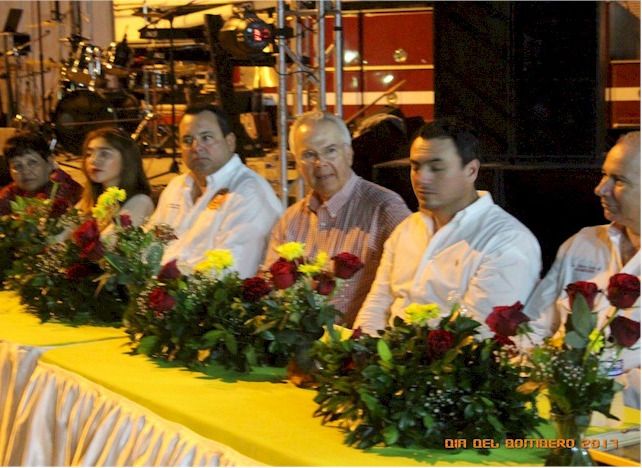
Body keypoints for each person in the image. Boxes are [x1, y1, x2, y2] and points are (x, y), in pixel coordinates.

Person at [354, 117, 541, 336]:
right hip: (389, 352)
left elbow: (479, 334)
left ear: (471, 171)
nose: (422, 179)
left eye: (436, 168)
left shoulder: (507, 241)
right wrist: (360, 348)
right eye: (415, 167)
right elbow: (377, 303)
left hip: (449, 356)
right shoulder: (407, 229)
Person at [525, 131, 640, 408]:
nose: (600, 189)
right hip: (555, 407)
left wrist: (585, 390)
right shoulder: (583, 243)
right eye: (604, 175)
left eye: (619, 180)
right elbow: (535, 326)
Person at [264, 110, 411, 325]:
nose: (320, 163)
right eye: (309, 155)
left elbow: (408, 290)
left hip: (358, 340)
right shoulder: (291, 219)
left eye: (330, 151)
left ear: (349, 154)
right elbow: (269, 286)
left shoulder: (385, 209)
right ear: (297, 163)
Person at [147, 104, 283, 278]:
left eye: (206, 138)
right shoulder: (177, 187)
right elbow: (148, 244)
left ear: (230, 142)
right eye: (187, 140)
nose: (196, 147)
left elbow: (231, 274)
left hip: (204, 293)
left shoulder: (249, 193)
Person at [0, 132, 82, 215]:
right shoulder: (14, 190)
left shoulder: (65, 191)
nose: (25, 171)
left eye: (32, 163)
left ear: (49, 163)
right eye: (17, 166)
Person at [78, 127, 154, 230]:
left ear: (126, 159)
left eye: (104, 154)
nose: (93, 160)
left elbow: (107, 239)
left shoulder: (140, 201)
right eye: (89, 154)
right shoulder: (89, 198)